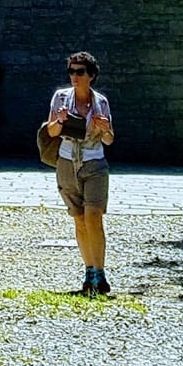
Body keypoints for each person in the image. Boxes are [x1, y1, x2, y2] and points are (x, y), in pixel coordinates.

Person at [45, 51, 114, 294]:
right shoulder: (60, 98)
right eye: (71, 71)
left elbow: (109, 140)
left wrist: (104, 129)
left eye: (80, 72)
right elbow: (52, 132)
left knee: (94, 216)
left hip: (94, 163)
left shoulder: (101, 102)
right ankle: (89, 271)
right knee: (79, 219)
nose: (74, 76)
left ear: (91, 76)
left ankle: (101, 273)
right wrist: (60, 121)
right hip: (67, 162)